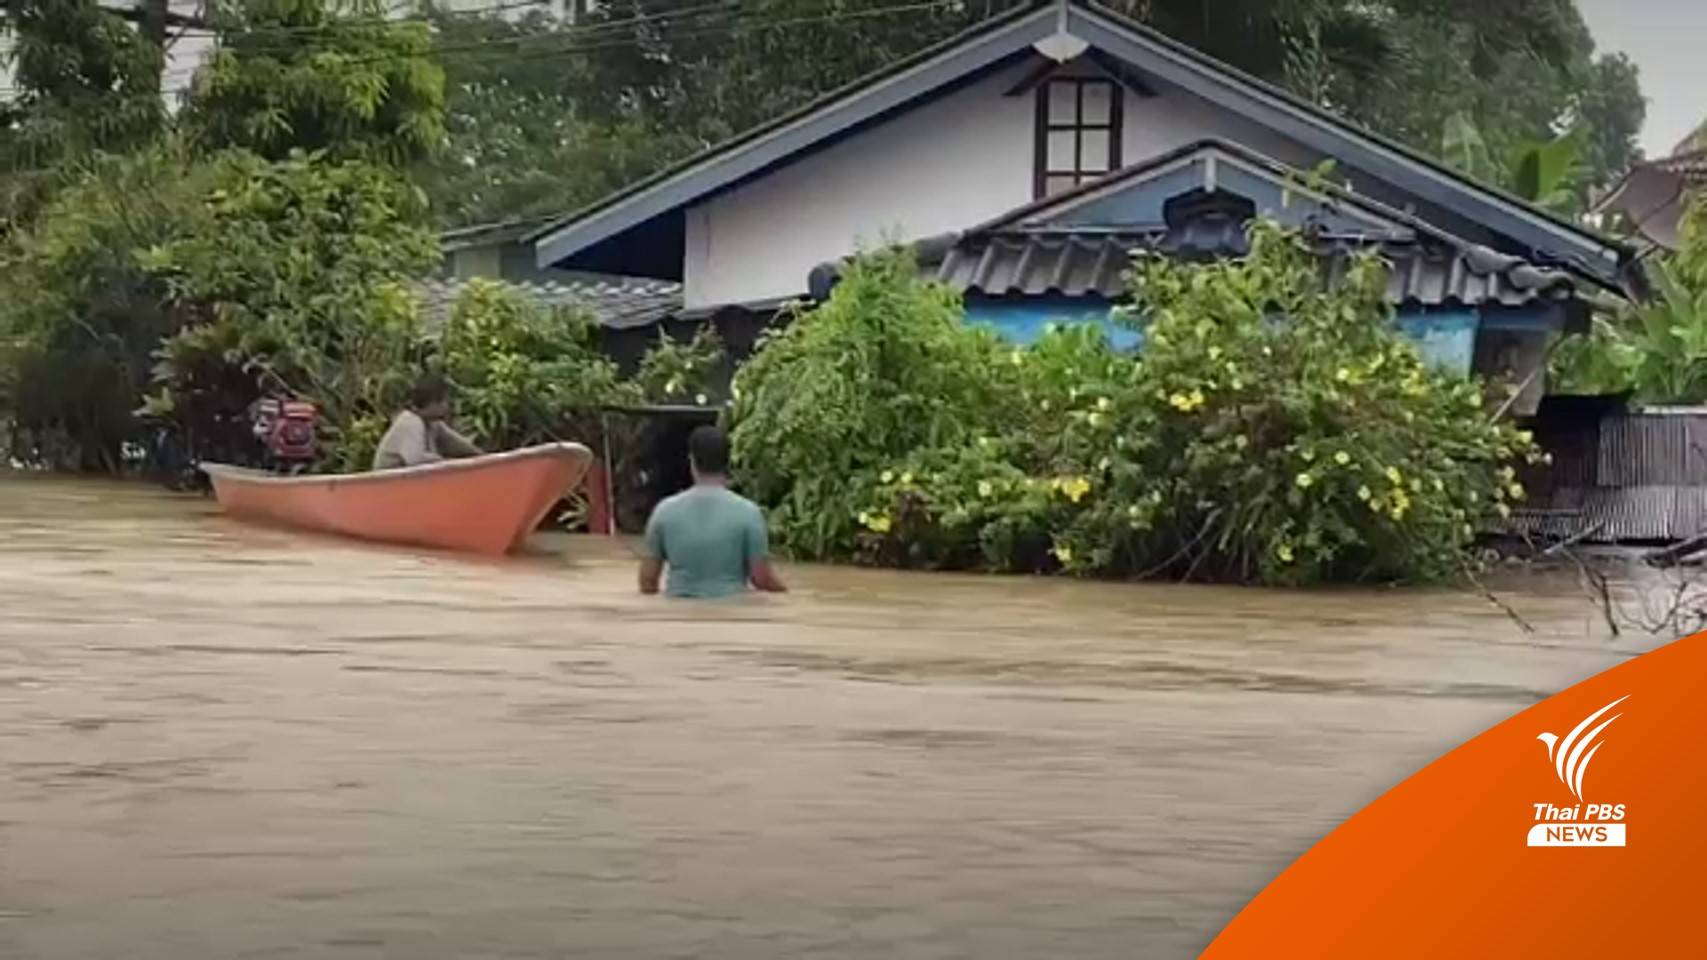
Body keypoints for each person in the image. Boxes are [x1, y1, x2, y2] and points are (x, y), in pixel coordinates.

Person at [639, 425, 786, 598]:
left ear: (691, 461)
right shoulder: (749, 513)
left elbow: (647, 581)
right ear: (728, 462)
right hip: (733, 612)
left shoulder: (664, 511)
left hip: (679, 613)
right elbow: (762, 579)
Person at [371, 372, 483, 471]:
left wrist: (485, 459)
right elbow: (416, 459)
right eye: (444, 401)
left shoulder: (434, 425)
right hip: (389, 487)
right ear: (433, 402)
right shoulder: (409, 421)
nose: (448, 406)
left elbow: (465, 448)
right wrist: (447, 462)